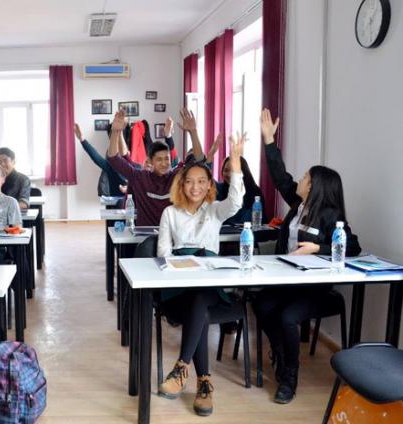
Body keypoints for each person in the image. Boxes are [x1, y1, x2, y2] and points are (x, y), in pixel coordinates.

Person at [252, 108, 362, 404]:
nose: (298, 180)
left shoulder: (329, 215)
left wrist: (320, 249)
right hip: (286, 282)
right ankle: (280, 354)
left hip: (313, 289)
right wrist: (269, 140)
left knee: (287, 316)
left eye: (304, 177)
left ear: (313, 187)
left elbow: (353, 248)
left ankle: (289, 378)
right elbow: (279, 176)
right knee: (260, 303)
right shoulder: (298, 205)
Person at [155, 132, 246, 417]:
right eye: (189, 181)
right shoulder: (170, 213)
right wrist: (183, 265)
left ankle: (182, 369)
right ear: (182, 185)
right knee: (199, 305)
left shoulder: (215, 211)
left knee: (202, 297)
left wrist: (236, 161)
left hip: (210, 285)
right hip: (178, 288)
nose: (195, 186)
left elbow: (236, 202)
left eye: (202, 181)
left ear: (209, 186)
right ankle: (204, 383)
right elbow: (163, 253)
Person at [107, 109, 205, 226]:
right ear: (150, 161)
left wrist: (193, 132)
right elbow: (113, 158)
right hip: (147, 236)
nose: (164, 163)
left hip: (172, 236)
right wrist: (115, 132)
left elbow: (199, 161)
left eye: (166, 159)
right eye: (159, 159)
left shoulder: (176, 176)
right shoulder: (139, 177)